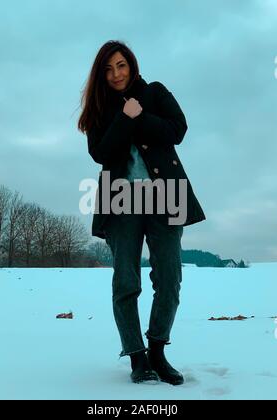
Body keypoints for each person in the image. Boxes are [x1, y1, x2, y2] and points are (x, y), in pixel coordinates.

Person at [78, 40, 206, 385]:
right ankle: (137, 357)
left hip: (166, 195)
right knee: (126, 281)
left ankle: (158, 351)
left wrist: (142, 115)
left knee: (169, 279)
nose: (116, 74)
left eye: (120, 65)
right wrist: (124, 118)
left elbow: (177, 130)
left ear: (131, 64)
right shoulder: (98, 108)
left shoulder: (156, 92)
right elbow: (102, 153)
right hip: (120, 200)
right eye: (108, 69)